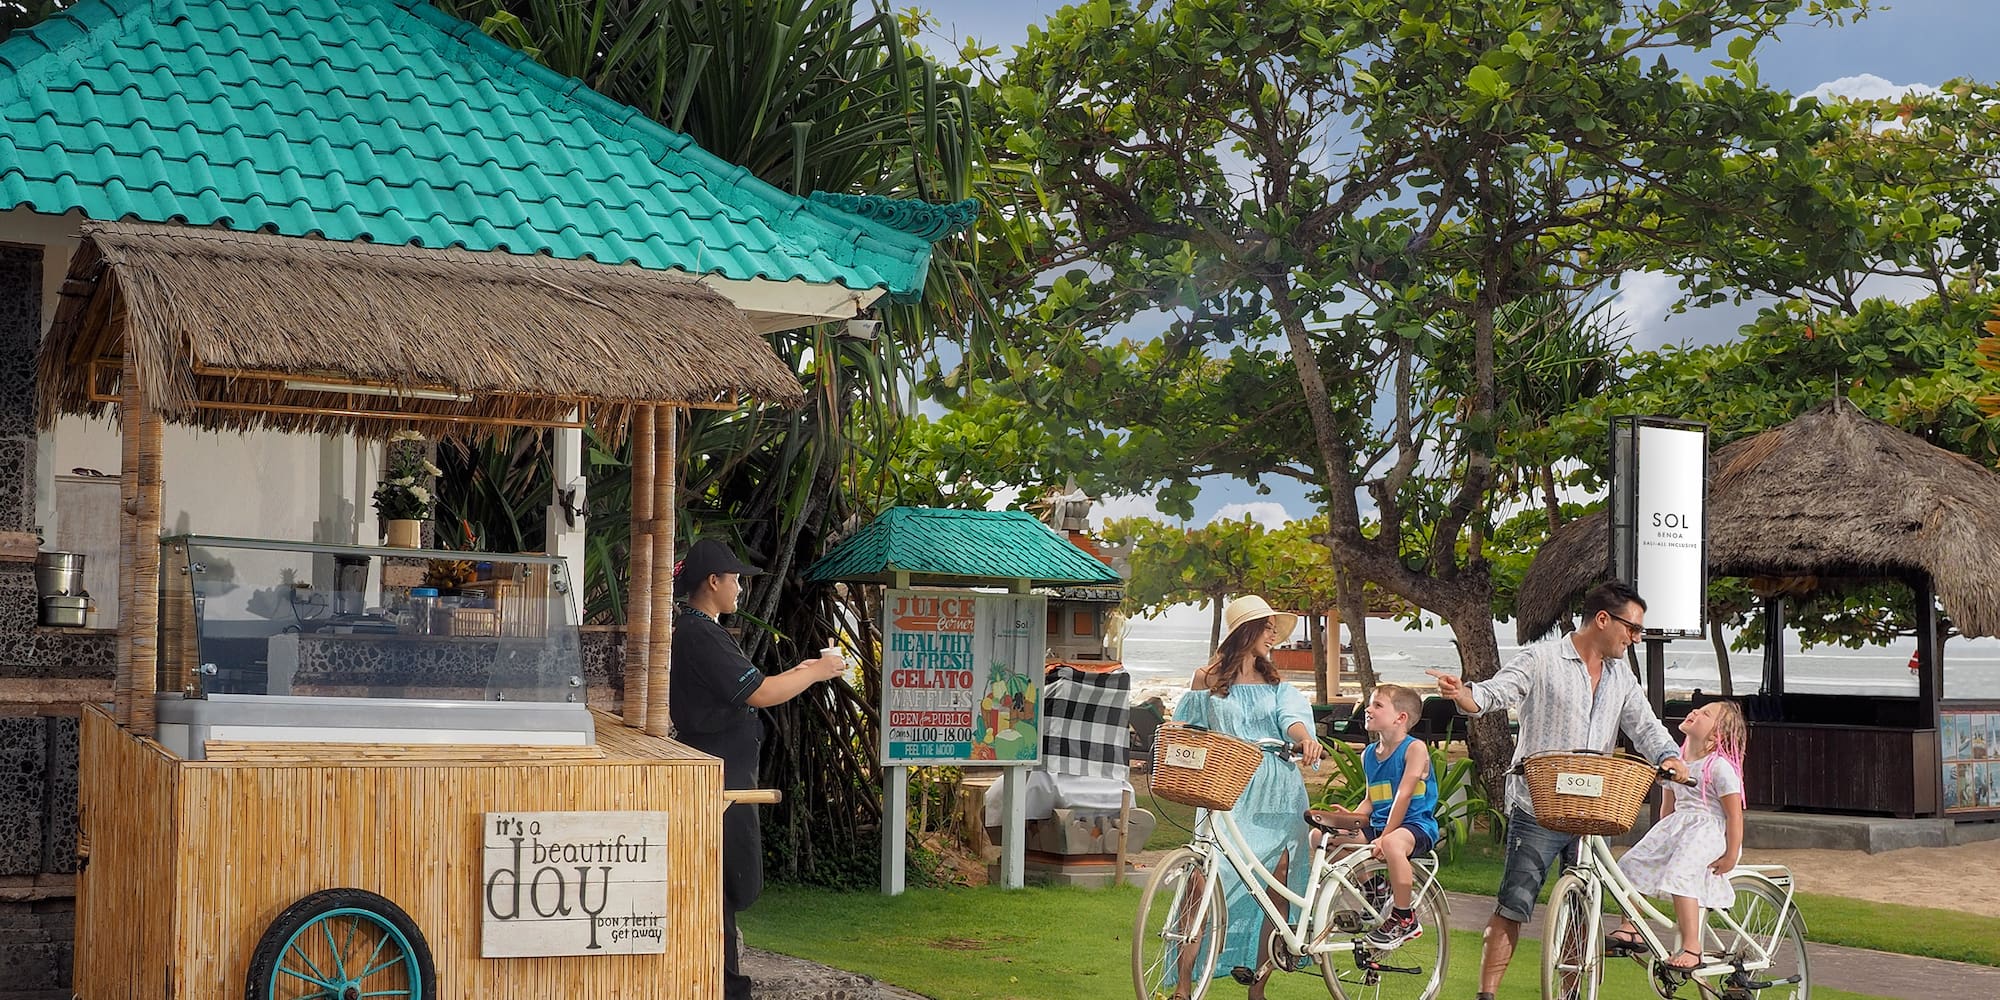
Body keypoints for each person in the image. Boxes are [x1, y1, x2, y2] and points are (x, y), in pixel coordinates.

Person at [1425, 581, 1688, 1000]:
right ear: (1603, 619)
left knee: (1584, 912)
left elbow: (1645, 725)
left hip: (1596, 807)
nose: (1635, 638)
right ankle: (1486, 995)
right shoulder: (1541, 658)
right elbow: (1498, 691)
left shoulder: (1622, 675)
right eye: (1632, 628)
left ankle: (1570, 994)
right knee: (1514, 903)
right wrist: (1465, 694)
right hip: (1539, 806)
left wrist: (1668, 756)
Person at [669, 537, 846, 1000]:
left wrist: (806, 666)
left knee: (721, 884)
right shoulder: (700, 634)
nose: (741, 590)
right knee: (722, 884)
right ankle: (726, 987)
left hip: (719, 774)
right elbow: (761, 693)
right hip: (718, 781)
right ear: (713, 582)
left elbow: (760, 684)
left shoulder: (697, 630)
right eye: (736, 580)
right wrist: (819, 672)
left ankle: (724, 982)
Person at [1170, 594, 1325, 1000]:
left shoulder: (1278, 686)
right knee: (1200, 883)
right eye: (1268, 627)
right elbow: (1185, 728)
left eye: (1275, 628)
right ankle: (1184, 988)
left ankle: (1258, 988)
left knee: (1276, 886)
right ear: (1247, 630)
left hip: (1277, 791)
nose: (1274, 635)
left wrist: (1306, 740)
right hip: (1226, 787)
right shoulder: (1206, 678)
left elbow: (1292, 721)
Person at [1608, 700, 1748, 968]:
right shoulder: (1676, 763)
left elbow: (1734, 814)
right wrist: (1661, 840)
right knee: (1630, 863)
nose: (1695, 712)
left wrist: (1731, 853)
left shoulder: (1718, 767)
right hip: (1677, 827)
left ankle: (1692, 946)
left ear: (1717, 734)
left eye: (1705, 714)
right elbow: (1667, 808)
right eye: (1698, 709)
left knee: (1681, 874)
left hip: (1708, 830)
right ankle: (1630, 927)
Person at [1307, 682, 1440, 949]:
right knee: (1320, 836)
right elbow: (1372, 799)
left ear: (1400, 718)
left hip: (1414, 826)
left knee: (1391, 844)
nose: (1367, 709)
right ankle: (1376, 889)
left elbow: (1403, 795)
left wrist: (1386, 836)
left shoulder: (1414, 749)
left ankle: (1404, 917)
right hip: (1381, 826)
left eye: (1377, 705)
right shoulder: (1370, 754)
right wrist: (1353, 818)